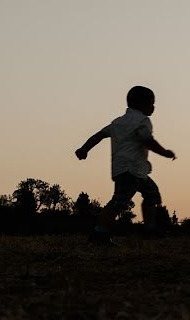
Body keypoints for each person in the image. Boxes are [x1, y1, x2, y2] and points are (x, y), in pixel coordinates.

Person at [75, 86, 176, 244]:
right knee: (119, 202)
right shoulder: (143, 121)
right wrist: (164, 152)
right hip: (131, 170)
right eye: (151, 103)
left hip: (131, 170)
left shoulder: (118, 122)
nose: (153, 107)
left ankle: (149, 229)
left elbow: (99, 135)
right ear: (142, 104)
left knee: (151, 194)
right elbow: (146, 139)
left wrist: (84, 149)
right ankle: (99, 233)